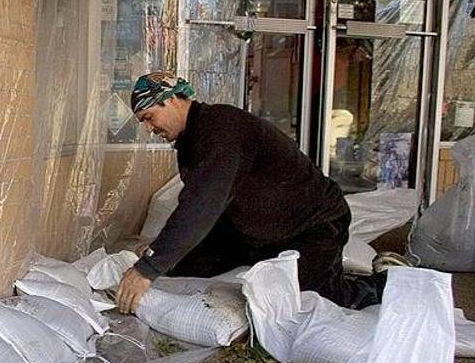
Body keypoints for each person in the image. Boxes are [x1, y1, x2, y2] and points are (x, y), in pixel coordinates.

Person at [114, 73, 382, 315]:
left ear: (171, 100)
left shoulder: (221, 129)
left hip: (310, 225)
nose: (149, 130)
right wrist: (159, 251)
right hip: (252, 231)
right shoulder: (191, 140)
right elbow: (197, 203)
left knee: (315, 301)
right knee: (178, 265)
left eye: (149, 118)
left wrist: (147, 268)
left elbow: (201, 205)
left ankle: (384, 282)